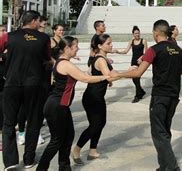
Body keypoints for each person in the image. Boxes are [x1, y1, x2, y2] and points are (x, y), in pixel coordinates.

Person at [116, 19, 182, 171]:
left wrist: (118, 74)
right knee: (165, 132)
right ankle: (163, 166)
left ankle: (173, 167)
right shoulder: (178, 49)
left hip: (160, 96)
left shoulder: (153, 50)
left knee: (159, 134)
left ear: (156, 33)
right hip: (173, 96)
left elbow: (138, 72)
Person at [37, 36, 111, 171]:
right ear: (67, 48)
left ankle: (64, 167)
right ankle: (41, 168)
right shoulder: (65, 64)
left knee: (68, 137)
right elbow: (85, 78)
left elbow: (83, 73)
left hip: (62, 106)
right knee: (57, 141)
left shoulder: (65, 62)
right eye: (76, 46)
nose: (78, 49)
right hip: (56, 106)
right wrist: (105, 77)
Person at [2, 10, 52, 169]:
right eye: (39, 21)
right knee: (33, 121)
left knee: (8, 123)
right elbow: (47, 59)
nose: (40, 24)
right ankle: (29, 159)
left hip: (12, 84)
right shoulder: (44, 38)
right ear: (34, 21)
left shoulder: (8, 36)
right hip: (34, 84)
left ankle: (10, 163)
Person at [73, 34, 117, 163]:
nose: (111, 45)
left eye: (111, 43)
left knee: (100, 123)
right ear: (100, 45)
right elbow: (110, 76)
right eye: (108, 43)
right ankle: (76, 149)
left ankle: (93, 150)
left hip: (97, 96)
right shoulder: (101, 60)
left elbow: (108, 74)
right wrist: (129, 72)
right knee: (95, 125)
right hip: (92, 97)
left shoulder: (103, 57)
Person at [117, 26, 148, 103]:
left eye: (138, 33)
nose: (137, 34)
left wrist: (141, 58)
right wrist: (117, 52)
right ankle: (141, 91)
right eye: (135, 33)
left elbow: (147, 52)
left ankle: (137, 96)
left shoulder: (143, 41)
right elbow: (126, 51)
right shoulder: (131, 41)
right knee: (134, 79)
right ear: (133, 34)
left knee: (137, 79)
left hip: (140, 62)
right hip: (133, 62)